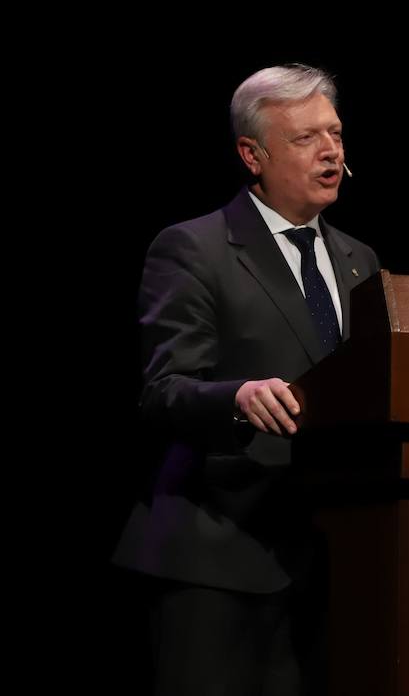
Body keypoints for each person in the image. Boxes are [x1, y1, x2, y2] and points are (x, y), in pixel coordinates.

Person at [112, 64, 381, 695]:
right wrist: (235, 397)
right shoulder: (193, 249)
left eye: (336, 134)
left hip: (334, 555)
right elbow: (163, 391)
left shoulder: (360, 261)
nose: (331, 151)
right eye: (306, 138)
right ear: (251, 154)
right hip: (219, 559)